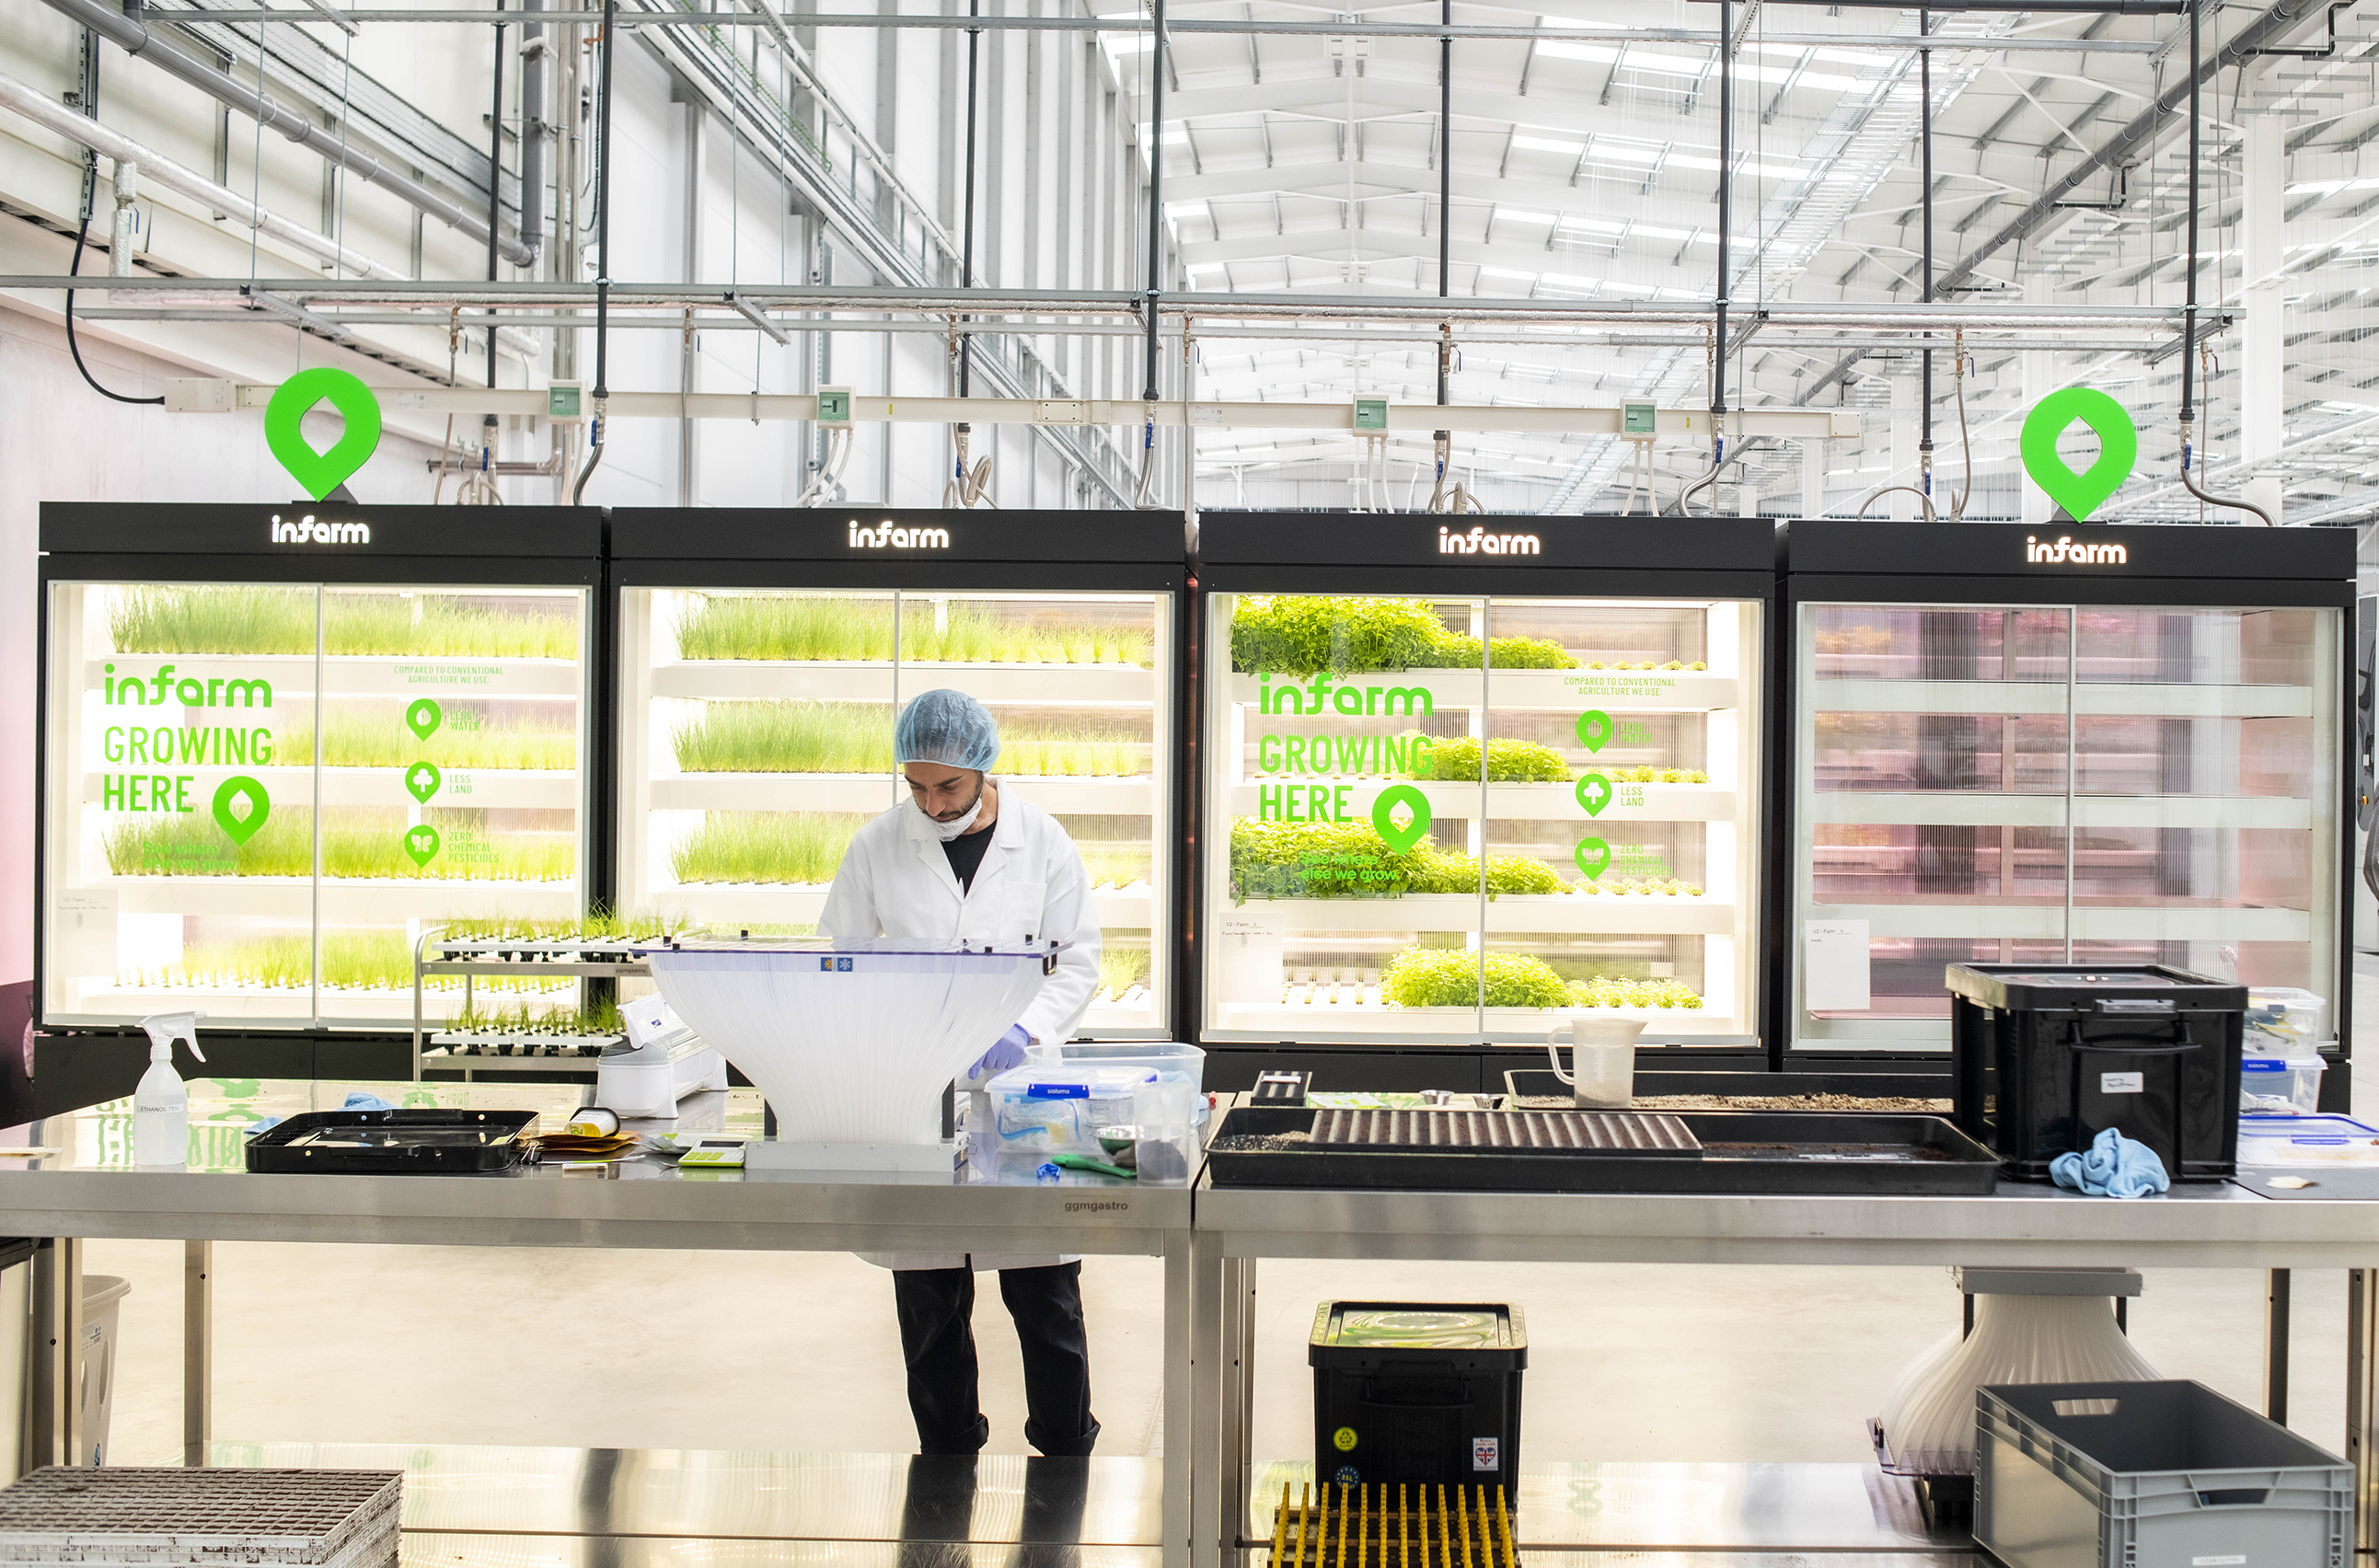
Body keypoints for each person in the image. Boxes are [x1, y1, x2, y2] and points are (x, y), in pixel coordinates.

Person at [818, 687, 1104, 1458]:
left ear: (982, 767)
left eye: (947, 786)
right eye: (916, 787)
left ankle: (1066, 1450)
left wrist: (1025, 1027)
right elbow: (840, 957)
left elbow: (1078, 960)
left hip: (1024, 1091)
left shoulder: (1042, 842)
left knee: (1044, 1291)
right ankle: (947, 1456)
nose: (932, 804)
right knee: (929, 1296)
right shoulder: (877, 845)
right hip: (916, 1089)